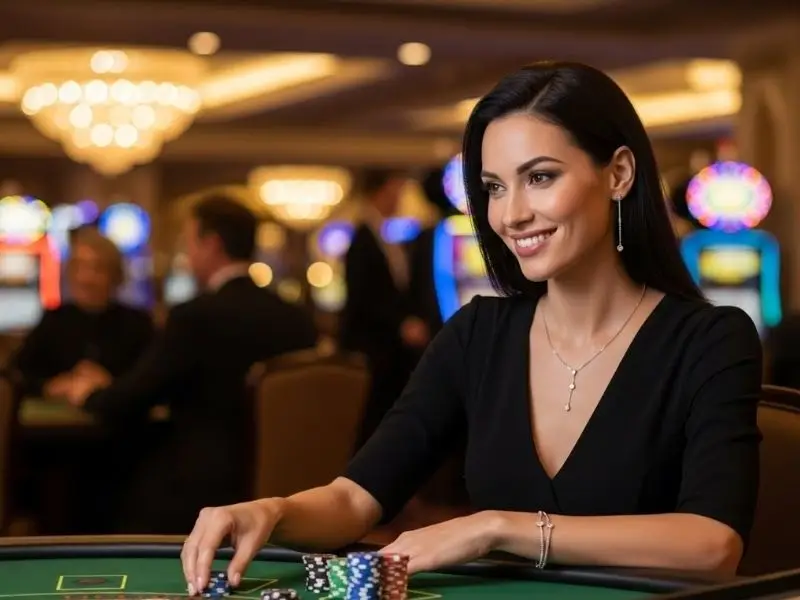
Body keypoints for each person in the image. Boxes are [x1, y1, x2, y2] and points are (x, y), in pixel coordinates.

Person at [180, 61, 762, 592]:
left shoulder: (709, 340)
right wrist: (273, 511)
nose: (510, 215)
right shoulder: (477, 334)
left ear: (618, 173)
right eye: (494, 187)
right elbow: (355, 498)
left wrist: (497, 529)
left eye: (540, 177)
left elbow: (712, 544)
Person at [65, 194, 319, 533]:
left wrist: (89, 394)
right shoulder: (297, 319)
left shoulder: (195, 316)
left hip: (203, 489)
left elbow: (136, 396)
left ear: (211, 244)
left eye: (189, 242)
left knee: (107, 482)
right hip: (293, 484)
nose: (187, 253)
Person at [339, 170, 430, 449]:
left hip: (386, 346)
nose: (399, 199)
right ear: (378, 192)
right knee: (373, 418)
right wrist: (402, 324)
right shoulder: (362, 238)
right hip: (371, 347)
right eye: (395, 192)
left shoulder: (383, 235)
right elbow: (365, 297)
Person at [11, 226, 153, 398]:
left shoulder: (138, 325)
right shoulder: (54, 321)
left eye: (97, 268)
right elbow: (17, 374)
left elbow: (153, 383)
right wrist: (50, 386)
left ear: (116, 276)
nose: (85, 278)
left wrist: (113, 385)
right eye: (79, 267)